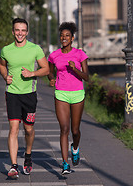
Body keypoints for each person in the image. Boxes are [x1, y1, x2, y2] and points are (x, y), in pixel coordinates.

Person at [0, 18, 49, 179]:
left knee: (28, 129)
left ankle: (27, 155)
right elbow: (1, 65)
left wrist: (32, 73)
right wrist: (5, 76)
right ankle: (13, 166)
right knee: (13, 129)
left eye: (23, 30)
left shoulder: (35, 49)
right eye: (17, 30)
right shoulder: (6, 50)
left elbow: (46, 69)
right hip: (12, 94)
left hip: (29, 95)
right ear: (13, 31)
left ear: (27, 32)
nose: (20, 33)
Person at [48, 22, 89, 175]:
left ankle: (75, 148)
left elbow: (87, 77)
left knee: (75, 130)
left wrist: (74, 68)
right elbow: (50, 71)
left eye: (67, 36)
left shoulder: (80, 54)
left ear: (72, 38)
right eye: (62, 35)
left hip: (77, 93)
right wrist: (51, 78)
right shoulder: (54, 55)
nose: (64, 38)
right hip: (61, 93)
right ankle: (65, 164)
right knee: (64, 129)